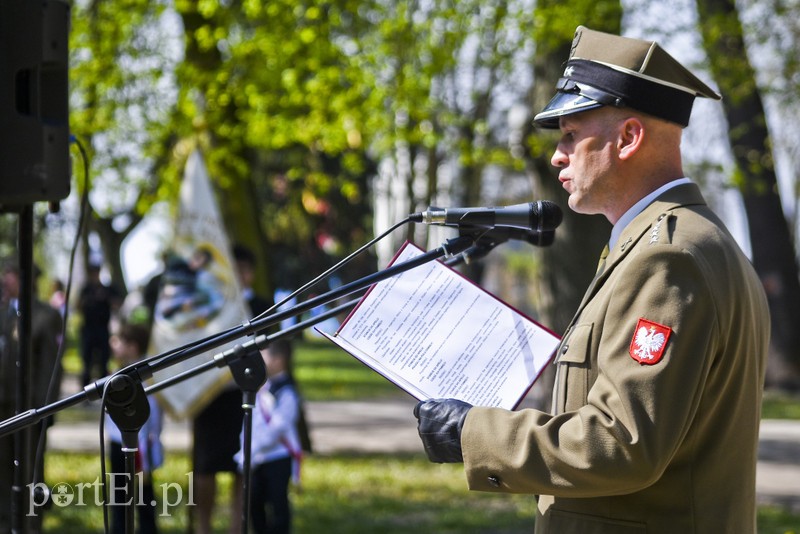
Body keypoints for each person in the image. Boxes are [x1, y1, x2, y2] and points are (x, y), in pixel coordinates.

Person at [413, 26, 770, 534]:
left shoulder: (668, 257)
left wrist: (472, 432)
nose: (557, 155)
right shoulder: (674, 242)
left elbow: (621, 442)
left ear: (628, 137)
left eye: (571, 135)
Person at [191, 245, 272, 534]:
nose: (239, 275)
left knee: (242, 464)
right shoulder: (208, 305)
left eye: (244, 269)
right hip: (210, 394)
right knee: (205, 466)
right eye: (233, 269)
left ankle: (237, 527)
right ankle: (203, 527)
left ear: (251, 273)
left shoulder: (264, 306)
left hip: (246, 394)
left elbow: (272, 347)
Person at [233, 340, 302, 534]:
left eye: (265, 357)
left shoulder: (287, 391)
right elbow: (250, 423)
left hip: (278, 457)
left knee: (278, 505)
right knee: (255, 504)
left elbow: (278, 426)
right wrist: (245, 450)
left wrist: (254, 448)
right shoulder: (261, 388)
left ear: (279, 360)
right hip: (257, 459)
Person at [105, 322, 163, 534]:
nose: (113, 343)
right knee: (119, 493)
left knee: (143, 494)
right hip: (116, 441)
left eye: (119, 340)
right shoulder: (117, 370)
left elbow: (153, 412)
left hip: (139, 443)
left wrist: (150, 440)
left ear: (133, 347)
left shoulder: (144, 376)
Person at [78, 263, 120, 386]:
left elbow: (117, 304)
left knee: (104, 361)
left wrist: (106, 298)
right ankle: (84, 389)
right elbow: (77, 306)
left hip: (103, 329)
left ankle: (103, 388)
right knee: (86, 361)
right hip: (88, 329)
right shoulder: (86, 289)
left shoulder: (107, 289)